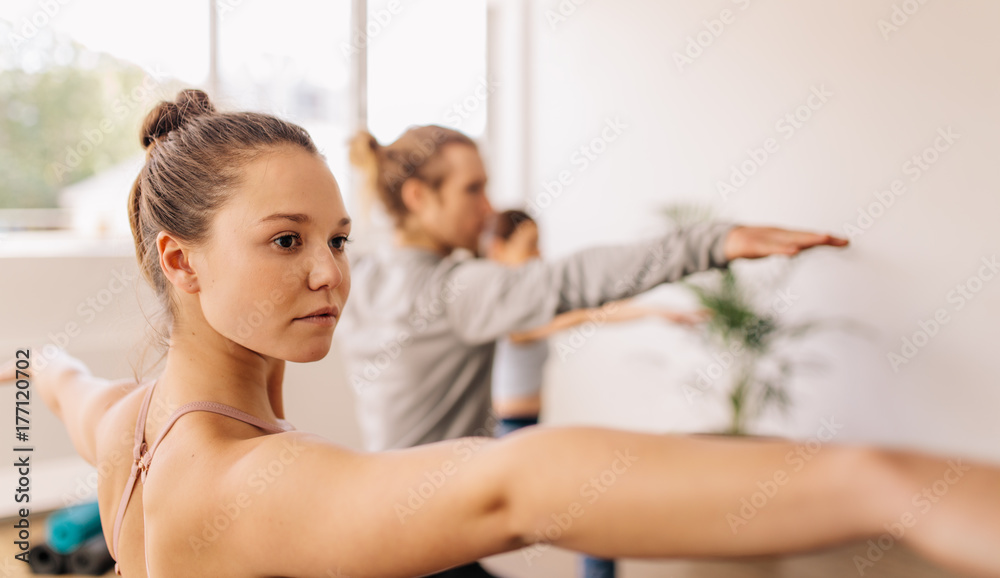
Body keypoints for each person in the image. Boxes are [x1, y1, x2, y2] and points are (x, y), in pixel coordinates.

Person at [4, 90, 1000, 578]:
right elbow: (515, 483)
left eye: (338, 238)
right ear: (180, 260)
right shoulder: (244, 480)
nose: (330, 273)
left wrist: (24, 370)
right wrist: (884, 482)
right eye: (284, 240)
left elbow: (61, 379)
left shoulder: (134, 425)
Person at [341, 124, 847, 576]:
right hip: (427, 537)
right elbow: (574, 280)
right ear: (418, 197)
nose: (489, 209)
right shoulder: (454, 290)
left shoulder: (355, 278)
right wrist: (711, 243)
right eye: (474, 189)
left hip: (388, 522)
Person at [484, 208, 706, 578]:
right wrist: (606, 312)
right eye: (530, 245)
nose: (540, 255)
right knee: (590, 514)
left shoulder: (529, 299)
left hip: (529, 431)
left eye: (541, 244)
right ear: (497, 249)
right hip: (506, 435)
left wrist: (653, 311)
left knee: (594, 517)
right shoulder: (499, 306)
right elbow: (582, 315)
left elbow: (596, 309)